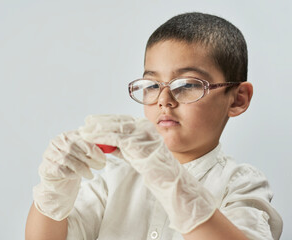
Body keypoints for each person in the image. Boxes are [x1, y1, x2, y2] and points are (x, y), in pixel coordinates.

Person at [25, 12, 283, 240]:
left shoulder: (240, 183)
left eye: (188, 85)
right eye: (151, 86)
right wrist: (54, 189)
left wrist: (168, 177)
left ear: (238, 99)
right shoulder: (115, 177)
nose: (164, 100)